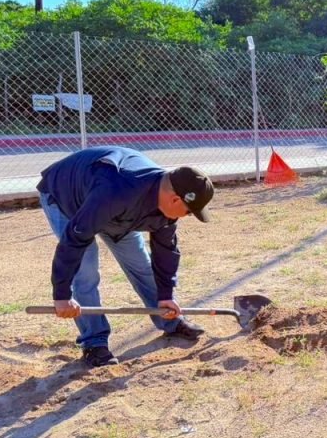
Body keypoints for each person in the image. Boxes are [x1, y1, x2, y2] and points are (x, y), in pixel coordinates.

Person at [37, 146, 215, 367]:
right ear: (176, 200)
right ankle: (94, 342)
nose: (188, 217)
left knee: (140, 264)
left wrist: (166, 295)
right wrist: (61, 295)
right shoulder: (117, 190)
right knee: (85, 273)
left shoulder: (164, 206)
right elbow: (74, 241)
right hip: (66, 199)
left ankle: (168, 320)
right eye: (189, 211)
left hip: (116, 211)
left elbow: (166, 250)